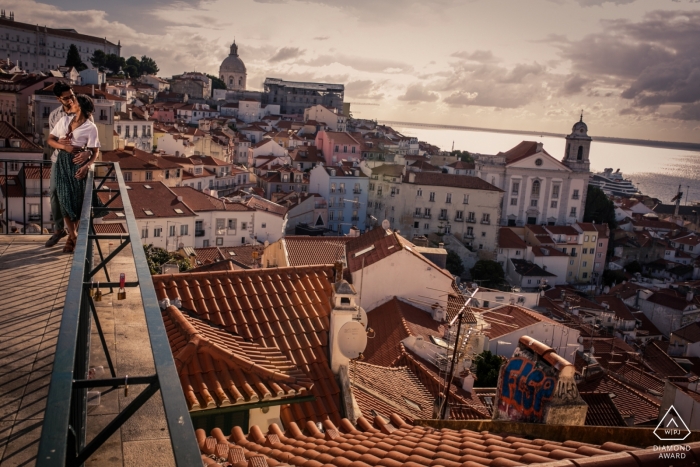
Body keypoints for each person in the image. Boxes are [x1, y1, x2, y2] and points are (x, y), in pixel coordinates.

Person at [47, 94, 101, 253]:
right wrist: (63, 147)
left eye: (75, 101)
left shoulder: (91, 127)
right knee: (63, 200)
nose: (71, 103)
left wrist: (87, 165)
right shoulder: (63, 121)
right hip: (62, 163)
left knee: (75, 202)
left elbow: (95, 151)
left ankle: (70, 240)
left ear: (80, 107)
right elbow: (50, 140)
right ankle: (75, 236)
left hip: (78, 165)